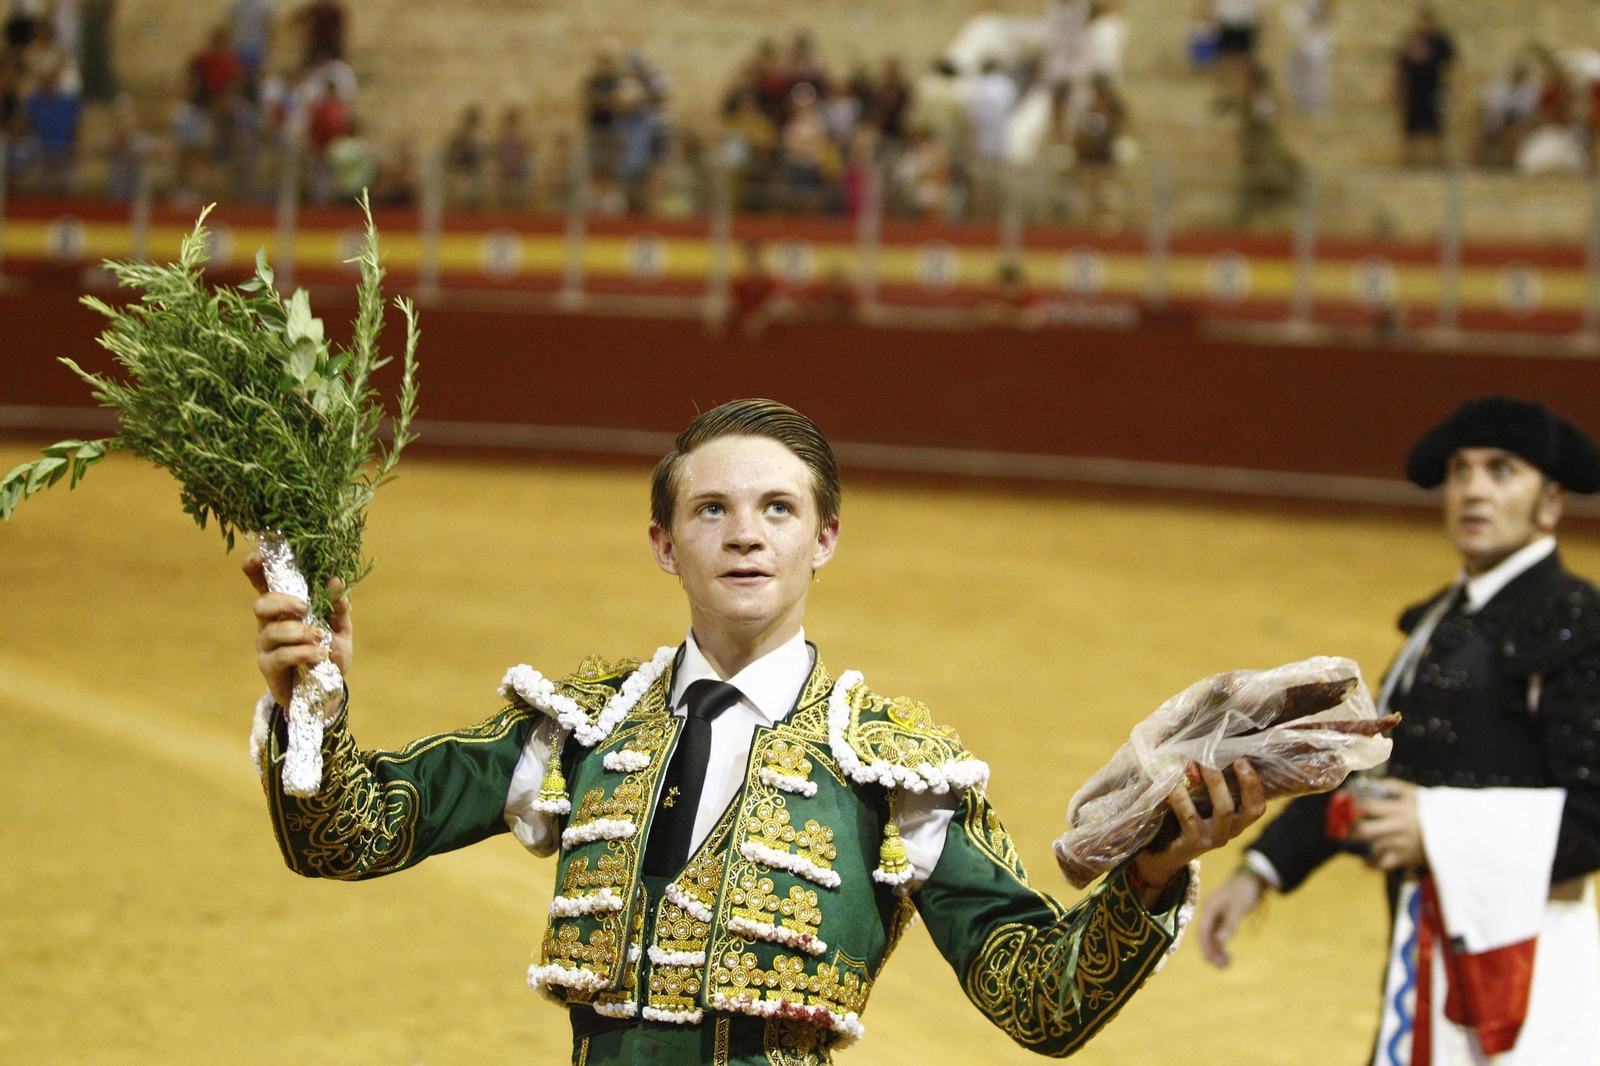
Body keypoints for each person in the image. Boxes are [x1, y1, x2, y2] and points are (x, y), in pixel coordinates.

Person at [248, 398, 1267, 1064]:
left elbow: (1038, 997)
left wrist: (1148, 875)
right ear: (664, 543)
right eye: (712, 510)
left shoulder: (892, 767)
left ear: (823, 538)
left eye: (777, 508)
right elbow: (349, 834)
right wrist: (311, 704)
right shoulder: (580, 726)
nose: (744, 532)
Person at [1196, 397, 1600, 1066]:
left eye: (1501, 471)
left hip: (1531, 958)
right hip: (1429, 941)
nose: (1472, 489)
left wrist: (1437, 829)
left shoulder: (1579, 624)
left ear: (1550, 502)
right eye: (1460, 471)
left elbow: (1593, 820)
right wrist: (1261, 872)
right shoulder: (1439, 622)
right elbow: (1373, 767)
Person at [1396, 5, 1454, 167]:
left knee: (1437, 128)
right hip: (1414, 91)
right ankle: (1409, 162)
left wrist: (1449, 88)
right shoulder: (1412, 40)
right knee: (1411, 129)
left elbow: (1450, 65)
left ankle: (1439, 162)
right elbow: (1401, 67)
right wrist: (1397, 90)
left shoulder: (1440, 41)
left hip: (1434, 90)